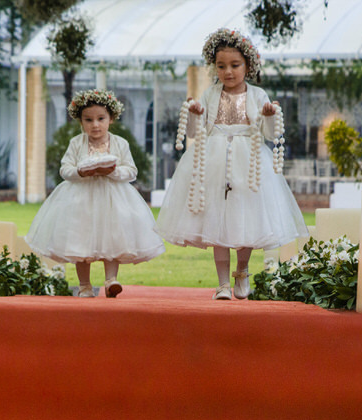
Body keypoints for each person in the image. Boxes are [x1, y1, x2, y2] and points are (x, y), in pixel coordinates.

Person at [156, 28, 308, 300]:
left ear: (248, 65)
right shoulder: (210, 94)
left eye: (235, 65)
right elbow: (194, 131)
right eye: (221, 66)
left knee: (245, 218)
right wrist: (194, 114)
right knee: (216, 220)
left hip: (248, 163)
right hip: (213, 161)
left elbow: (272, 134)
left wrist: (270, 114)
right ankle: (223, 283)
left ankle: (242, 270)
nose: (228, 72)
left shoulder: (258, 94)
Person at [25, 89, 164, 298]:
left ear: (111, 119)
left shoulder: (120, 144)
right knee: (81, 239)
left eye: (101, 119)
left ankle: (111, 281)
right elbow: (65, 169)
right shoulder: (76, 143)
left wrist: (113, 171)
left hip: (112, 199)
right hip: (82, 199)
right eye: (88, 120)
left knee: (113, 237)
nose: (95, 125)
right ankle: (84, 285)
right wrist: (80, 171)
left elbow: (131, 171)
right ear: (81, 122)